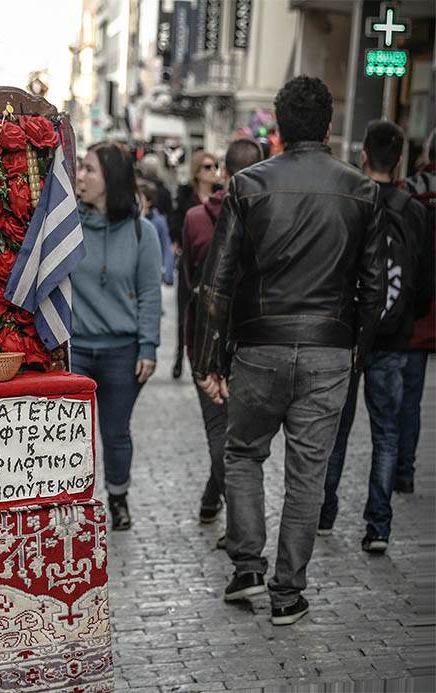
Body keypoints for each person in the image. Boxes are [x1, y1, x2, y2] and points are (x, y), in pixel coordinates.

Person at [193, 76, 386, 626]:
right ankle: (287, 592)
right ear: (328, 127)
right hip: (330, 346)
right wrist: (359, 354)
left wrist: (209, 358)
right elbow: (373, 288)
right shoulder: (362, 190)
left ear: (278, 127)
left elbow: (219, 279)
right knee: (308, 473)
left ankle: (248, 566)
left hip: (260, 342)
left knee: (244, 451)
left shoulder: (249, 185)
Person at [317, 121, 431, 550]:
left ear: (363, 155)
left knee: (336, 430)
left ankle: (325, 514)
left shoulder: (352, 200)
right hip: (394, 338)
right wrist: (403, 318)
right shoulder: (415, 210)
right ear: (400, 159)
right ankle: (378, 526)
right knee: (386, 433)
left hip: (348, 335)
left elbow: (336, 268)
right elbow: (424, 281)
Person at [71, 142, 162, 531]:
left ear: (112, 179)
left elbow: (149, 294)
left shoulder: (142, 233)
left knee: (115, 431)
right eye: (80, 168)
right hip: (76, 351)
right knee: (72, 434)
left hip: (122, 353)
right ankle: (71, 501)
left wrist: (148, 345)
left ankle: (118, 497)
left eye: (89, 170)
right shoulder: (67, 228)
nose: (80, 176)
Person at [181, 139, 264, 541]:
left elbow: (187, 287)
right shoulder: (201, 218)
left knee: (227, 437)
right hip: (238, 341)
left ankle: (215, 498)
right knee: (229, 439)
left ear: (224, 173)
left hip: (224, 344)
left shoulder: (200, 218)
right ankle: (238, 526)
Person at [398, 130, 436, 494]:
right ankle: (404, 469)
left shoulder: (407, 190)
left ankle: (398, 468)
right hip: (429, 315)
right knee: (412, 398)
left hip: (405, 314)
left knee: (398, 398)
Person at [170, 149, 222, 379]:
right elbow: (176, 223)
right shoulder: (185, 196)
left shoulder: (222, 197)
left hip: (214, 263)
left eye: (215, 166)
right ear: (197, 171)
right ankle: (180, 357)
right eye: (207, 167)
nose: (213, 171)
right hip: (189, 262)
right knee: (184, 311)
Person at [137, 177, 175, 285]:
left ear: (149, 201)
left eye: (139, 197)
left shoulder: (158, 222)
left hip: (151, 274)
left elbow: (166, 247)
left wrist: (168, 275)